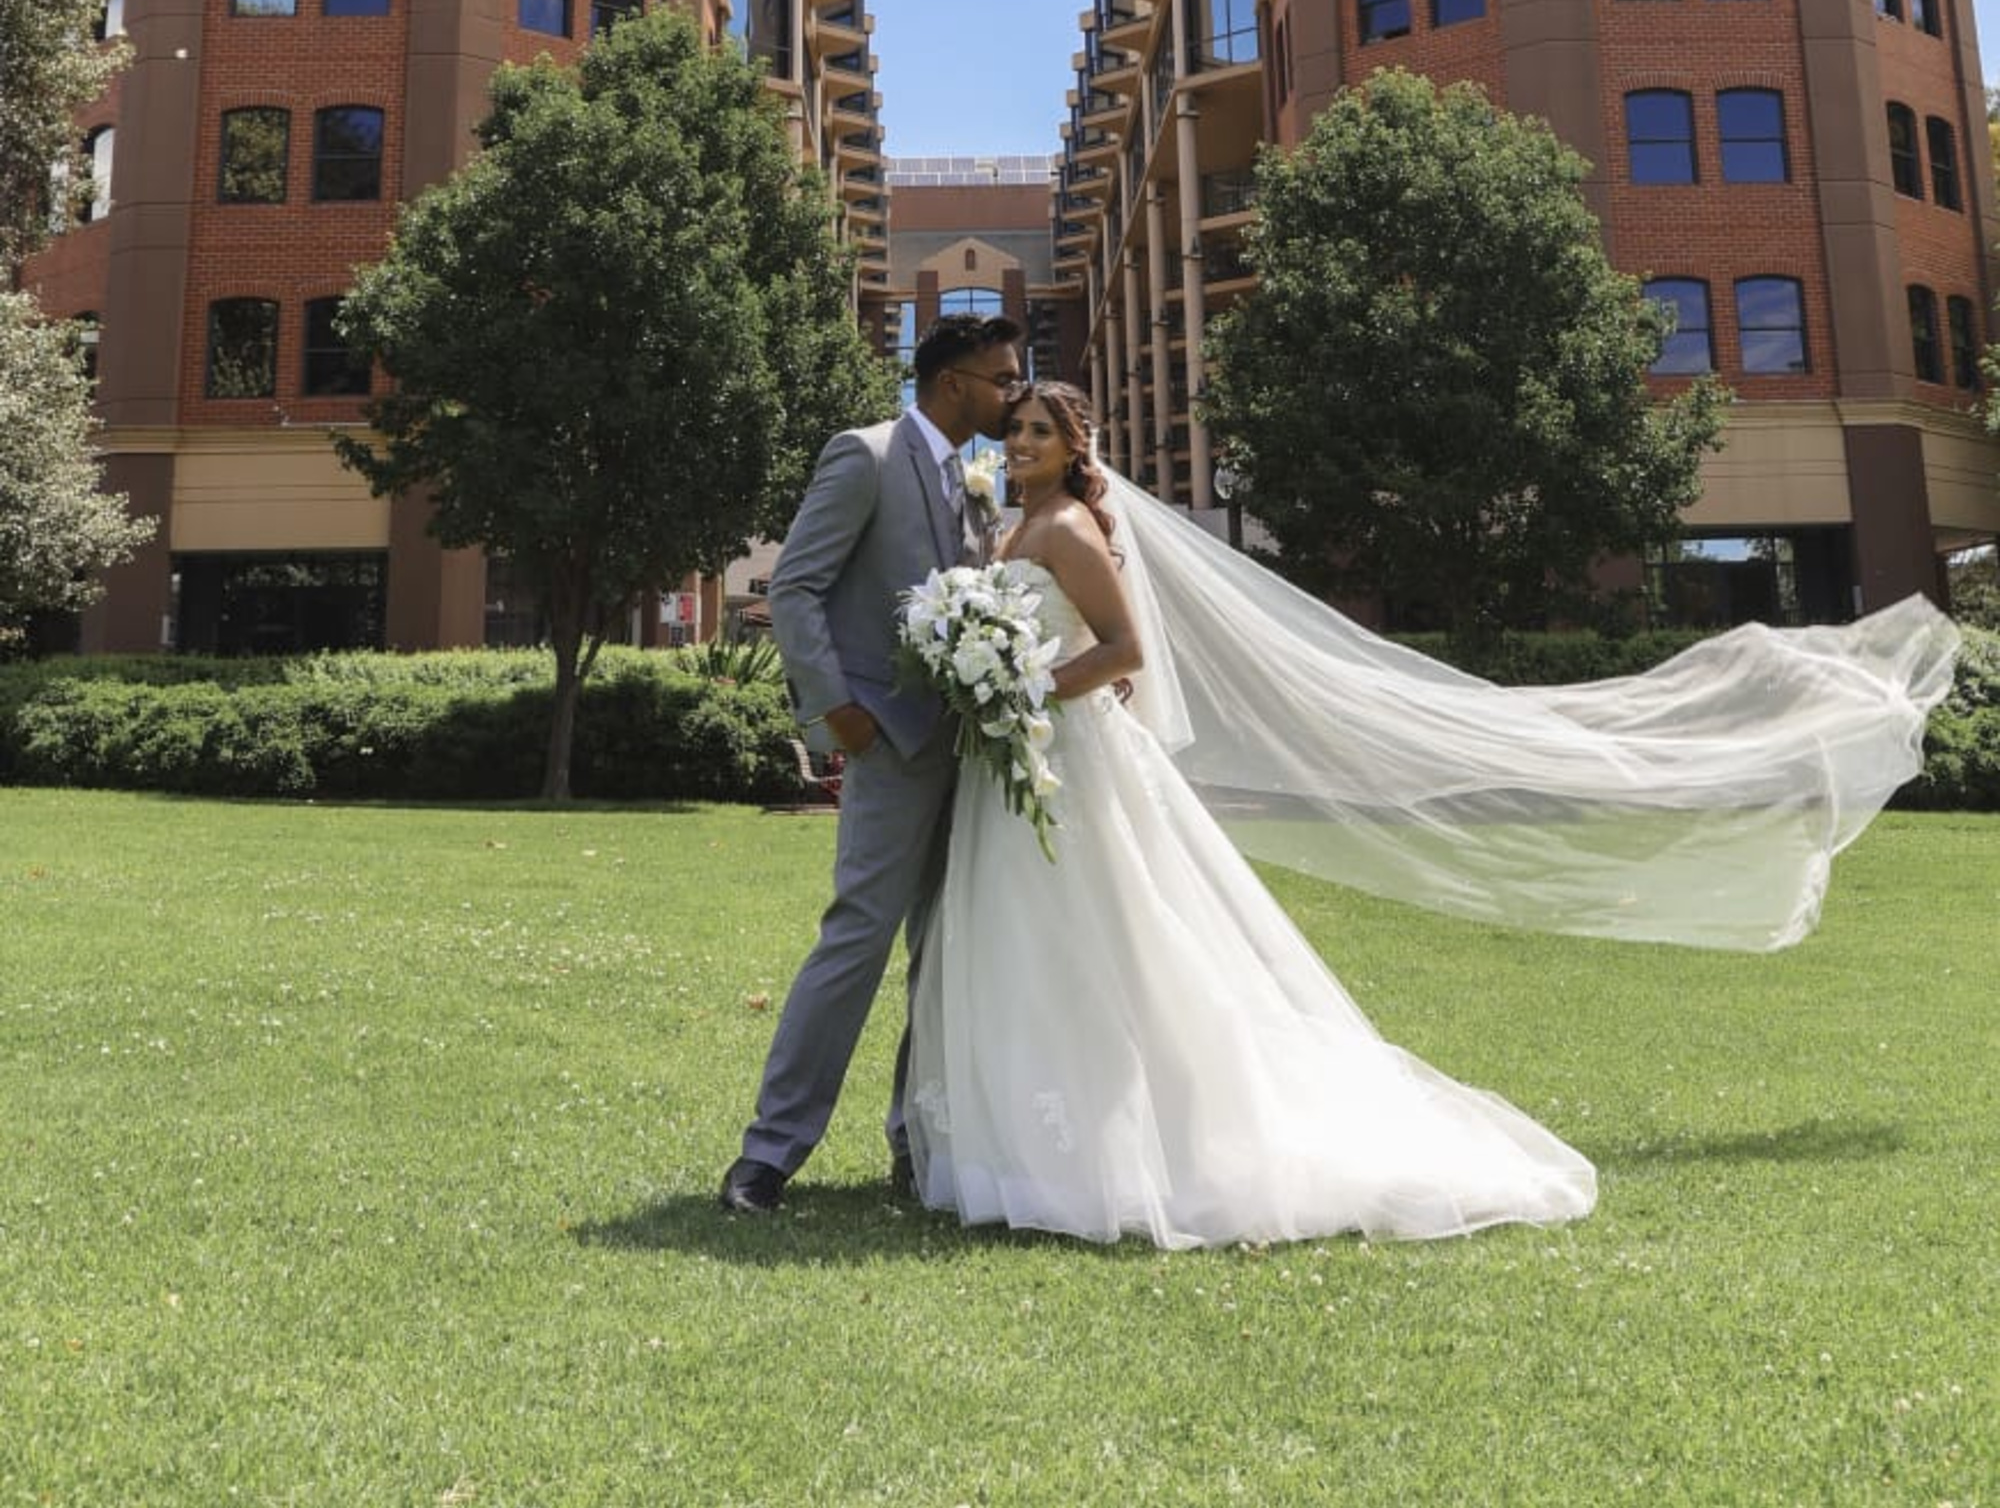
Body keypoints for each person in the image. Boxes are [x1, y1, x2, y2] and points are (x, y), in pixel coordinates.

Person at [902, 380, 1958, 1250]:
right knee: (1029, 939)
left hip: (1069, 759)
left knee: (1110, 940)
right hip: (1025, 766)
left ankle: (1117, 1145)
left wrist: (1026, 687)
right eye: (1019, 431)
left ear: (1075, 445)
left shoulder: (1074, 525)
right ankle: (1016, 1147)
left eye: (1044, 431)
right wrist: (985, 678)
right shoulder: (1011, 525)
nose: (1026, 442)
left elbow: (1124, 651)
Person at [719, 313, 1024, 1216]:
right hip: (886, 743)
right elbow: (799, 584)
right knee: (856, 941)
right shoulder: (864, 453)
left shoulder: (978, 486)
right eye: (1002, 378)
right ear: (952, 381)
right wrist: (835, 712)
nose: (1014, 392)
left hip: (968, 751)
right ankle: (768, 1155)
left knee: (945, 955)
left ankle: (916, 1145)